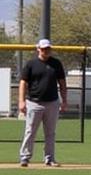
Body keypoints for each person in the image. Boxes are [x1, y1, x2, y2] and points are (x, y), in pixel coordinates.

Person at [18, 38, 68, 167]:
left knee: (50, 132)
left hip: (52, 102)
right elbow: (23, 82)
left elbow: (62, 83)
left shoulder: (56, 64)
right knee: (30, 131)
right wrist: (21, 101)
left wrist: (64, 100)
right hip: (34, 103)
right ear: (38, 49)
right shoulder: (31, 64)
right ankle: (25, 157)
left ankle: (49, 158)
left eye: (48, 48)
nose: (46, 51)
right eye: (44, 48)